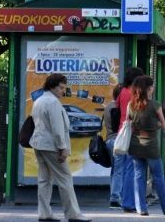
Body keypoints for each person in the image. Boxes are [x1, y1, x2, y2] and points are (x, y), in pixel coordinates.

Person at [29, 73, 91, 222]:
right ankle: (73, 214)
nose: (63, 91)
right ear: (52, 87)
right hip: (52, 146)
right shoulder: (53, 103)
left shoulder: (39, 101)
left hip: (39, 144)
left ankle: (44, 214)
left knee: (44, 180)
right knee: (65, 178)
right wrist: (62, 148)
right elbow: (57, 129)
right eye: (61, 88)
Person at [127, 75, 165, 217]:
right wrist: (155, 126)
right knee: (158, 177)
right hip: (150, 145)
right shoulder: (155, 105)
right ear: (149, 89)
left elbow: (128, 123)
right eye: (152, 86)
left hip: (135, 144)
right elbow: (163, 125)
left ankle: (141, 208)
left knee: (139, 176)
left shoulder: (131, 104)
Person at [117, 66, 144, 213]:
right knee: (131, 169)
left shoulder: (122, 92)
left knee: (127, 168)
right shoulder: (133, 94)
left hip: (123, 131)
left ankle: (127, 200)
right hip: (132, 133)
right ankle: (129, 202)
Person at [103, 84, 122, 208]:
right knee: (119, 170)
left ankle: (114, 195)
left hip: (109, 140)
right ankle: (115, 197)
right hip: (118, 140)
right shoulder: (118, 107)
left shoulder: (108, 106)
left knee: (115, 170)